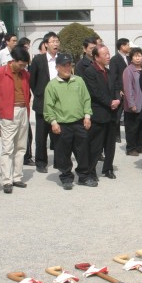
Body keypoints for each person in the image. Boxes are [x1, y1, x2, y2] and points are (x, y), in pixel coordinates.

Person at [44, 53, 93, 189]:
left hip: (79, 122)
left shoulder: (79, 81)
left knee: (83, 151)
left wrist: (87, 116)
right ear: (57, 67)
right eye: (63, 66)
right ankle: (66, 177)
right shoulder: (52, 85)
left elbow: (86, 99)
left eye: (69, 65)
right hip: (61, 124)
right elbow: (48, 106)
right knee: (63, 153)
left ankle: (83, 176)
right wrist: (53, 122)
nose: (67, 68)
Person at [0, 46, 31, 194]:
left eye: (25, 65)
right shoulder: (0, 73)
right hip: (8, 112)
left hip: (23, 110)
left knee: (21, 146)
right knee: (8, 148)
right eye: (21, 65)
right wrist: (0, 110)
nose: (23, 67)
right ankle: (7, 180)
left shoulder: (25, 74)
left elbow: (28, 93)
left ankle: (17, 177)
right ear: (13, 60)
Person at [82, 45, 121, 179]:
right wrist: (110, 102)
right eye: (105, 54)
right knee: (96, 145)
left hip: (112, 113)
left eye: (108, 53)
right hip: (98, 113)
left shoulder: (109, 72)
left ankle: (108, 169)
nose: (108, 56)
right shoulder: (90, 72)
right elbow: (95, 92)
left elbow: (117, 87)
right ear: (96, 57)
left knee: (110, 145)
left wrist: (117, 99)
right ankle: (91, 171)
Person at [28, 32, 60, 173]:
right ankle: (41, 162)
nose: (55, 44)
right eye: (53, 41)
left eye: (57, 41)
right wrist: (40, 95)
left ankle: (60, 160)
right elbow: (32, 81)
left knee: (59, 134)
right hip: (42, 103)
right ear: (46, 44)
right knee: (41, 135)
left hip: (59, 105)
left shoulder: (62, 59)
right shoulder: (38, 60)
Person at [122, 48, 142, 156]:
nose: (137, 58)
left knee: (141, 128)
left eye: (139, 56)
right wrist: (132, 104)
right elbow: (128, 89)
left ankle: (140, 146)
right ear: (131, 58)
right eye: (135, 56)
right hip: (133, 105)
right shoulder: (128, 70)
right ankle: (131, 148)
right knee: (132, 128)